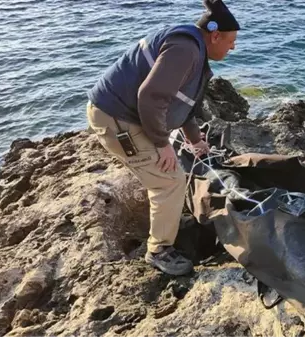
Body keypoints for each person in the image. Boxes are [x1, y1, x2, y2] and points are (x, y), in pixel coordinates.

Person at [85, 0, 239, 276]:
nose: (233, 47)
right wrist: (161, 143)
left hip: (126, 115)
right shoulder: (185, 50)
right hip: (117, 120)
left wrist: (195, 139)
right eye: (230, 41)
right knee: (169, 180)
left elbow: (181, 102)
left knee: (169, 174)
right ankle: (159, 251)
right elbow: (151, 97)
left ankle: (170, 223)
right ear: (215, 35)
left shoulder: (191, 46)